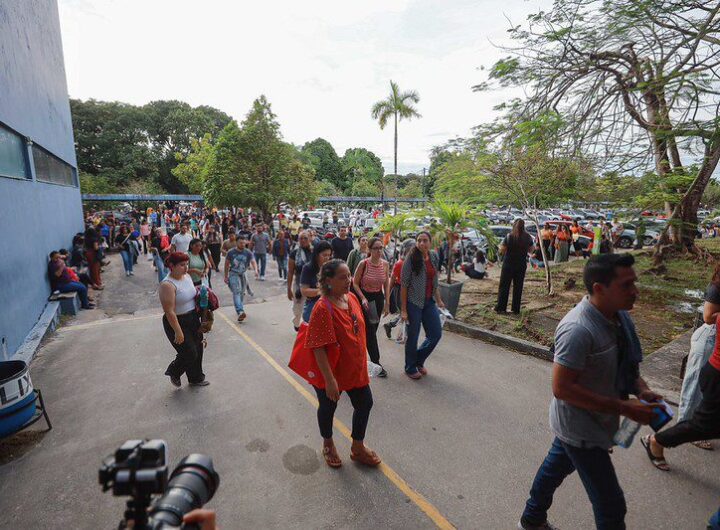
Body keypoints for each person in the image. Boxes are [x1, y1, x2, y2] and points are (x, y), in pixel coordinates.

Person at [518, 253, 661, 530]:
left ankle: (532, 518)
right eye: (626, 285)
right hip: (581, 429)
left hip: (597, 421)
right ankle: (532, 518)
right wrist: (624, 407)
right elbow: (562, 388)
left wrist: (641, 389)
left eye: (634, 283)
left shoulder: (620, 318)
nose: (635, 291)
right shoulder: (577, 329)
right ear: (599, 288)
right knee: (611, 506)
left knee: (555, 467)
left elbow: (626, 364)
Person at [305, 259, 381, 469]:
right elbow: (318, 347)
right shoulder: (323, 308)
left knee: (365, 403)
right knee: (328, 407)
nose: (348, 280)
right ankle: (328, 444)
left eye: (349, 275)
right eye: (342, 277)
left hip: (354, 369)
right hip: (331, 373)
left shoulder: (352, 298)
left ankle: (357, 447)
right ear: (328, 281)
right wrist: (330, 380)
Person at [643, 310, 720, 469]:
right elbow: (708, 316)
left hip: (714, 373)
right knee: (703, 425)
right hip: (717, 376)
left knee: (708, 424)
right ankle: (657, 441)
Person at [158, 252, 208, 387]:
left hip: (192, 317)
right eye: (182, 265)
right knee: (189, 352)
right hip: (176, 321)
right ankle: (174, 371)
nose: (186, 267)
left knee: (198, 348)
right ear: (171, 265)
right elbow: (169, 311)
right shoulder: (167, 285)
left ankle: (196, 378)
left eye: (187, 264)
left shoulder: (187, 277)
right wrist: (178, 331)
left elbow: (192, 295)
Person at [400, 232, 445, 380]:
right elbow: (404, 285)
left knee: (435, 334)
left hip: (429, 302)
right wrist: (404, 310)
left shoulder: (433, 256)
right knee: (413, 336)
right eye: (419, 240)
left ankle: (418, 360)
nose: (421, 243)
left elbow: (435, 281)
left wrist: (439, 300)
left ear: (430, 242)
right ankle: (410, 367)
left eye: (425, 240)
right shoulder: (411, 258)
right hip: (413, 303)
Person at [353, 237, 391, 378]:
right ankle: (376, 363)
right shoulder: (364, 264)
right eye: (376, 248)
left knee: (371, 330)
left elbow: (386, 284)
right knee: (370, 331)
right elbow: (355, 283)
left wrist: (387, 302)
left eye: (381, 248)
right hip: (365, 299)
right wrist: (363, 298)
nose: (379, 251)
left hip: (378, 298)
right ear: (370, 249)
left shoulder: (385, 264)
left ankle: (359, 355)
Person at [495, 219, 535, 314]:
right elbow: (531, 250)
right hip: (521, 264)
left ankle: (501, 308)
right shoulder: (528, 237)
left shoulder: (509, 236)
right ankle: (515, 309)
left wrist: (499, 246)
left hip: (508, 264)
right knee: (518, 287)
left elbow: (502, 250)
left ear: (514, 225)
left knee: (504, 286)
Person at [384, 238, 415, 341]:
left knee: (407, 312)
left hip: (409, 291)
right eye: (412, 248)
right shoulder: (400, 263)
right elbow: (392, 280)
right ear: (406, 249)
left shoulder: (414, 262)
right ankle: (403, 334)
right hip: (399, 291)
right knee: (405, 312)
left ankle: (391, 326)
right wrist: (387, 296)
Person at [225, 236, 258, 322]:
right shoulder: (231, 252)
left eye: (244, 243)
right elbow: (226, 264)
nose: (242, 244)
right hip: (233, 273)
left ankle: (240, 309)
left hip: (243, 274)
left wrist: (256, 270)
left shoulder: (248, 252)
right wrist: (226, 276)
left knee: (242, 292)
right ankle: (240, 311)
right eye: (240, 243)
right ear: (236, 243)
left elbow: (253, 261)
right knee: (236, 291)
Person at [300, 241, 333, 323]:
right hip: (313, 303)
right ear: (317, 255)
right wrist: (323, 291)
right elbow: (304, 291)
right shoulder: (308, 268)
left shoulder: (331, 267)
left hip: (331, 302)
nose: (327, 258)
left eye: (329, 255)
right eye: (324, 255)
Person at [287, 231, 313, 331]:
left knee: (311, 307)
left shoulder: (314, 252)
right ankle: (297, 323)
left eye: (305, 238)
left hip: (312, 284)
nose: (303, 240)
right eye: (301, 238)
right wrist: (289, 289)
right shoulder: (294, 253)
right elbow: (290, 272)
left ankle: (308, 327)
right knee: (297, 308)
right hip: (299, 284)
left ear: (310, 239)